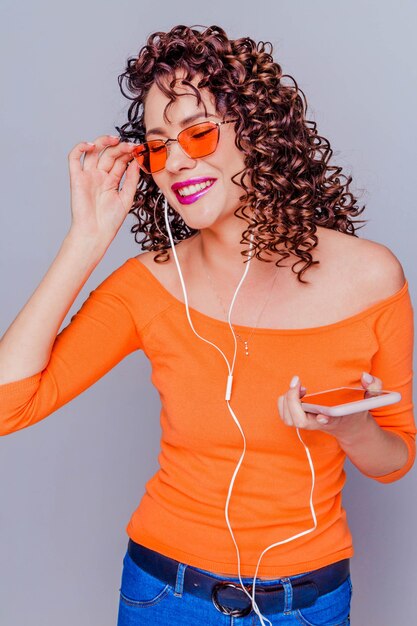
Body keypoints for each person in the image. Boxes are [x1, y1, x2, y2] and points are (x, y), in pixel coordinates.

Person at [0, 23, 414, 626]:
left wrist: (351, 431)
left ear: (258, 133)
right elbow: (7, 405)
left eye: (197, 132)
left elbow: (396, 457)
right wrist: (86, 240)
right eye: (157, 145)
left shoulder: (372, 278)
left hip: (310, 604)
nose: (175, 162)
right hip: (163, 596)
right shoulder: (150, 286)